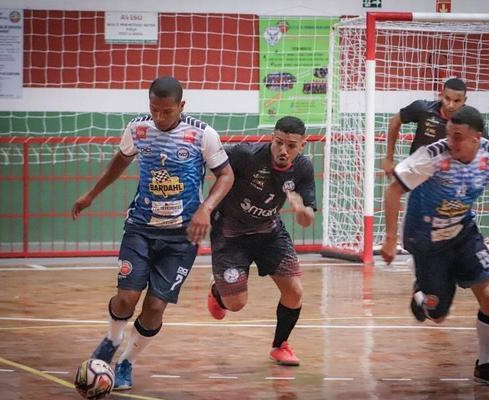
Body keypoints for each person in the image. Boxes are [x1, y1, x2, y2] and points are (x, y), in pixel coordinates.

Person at [71, 76, 234, 390]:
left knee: (155, 307)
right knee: (126, 298)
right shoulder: (138, 129)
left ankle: (127, 362)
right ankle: (111, 339)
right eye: (154, 110)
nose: (159, 117)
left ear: (181, 106)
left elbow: (225, 175)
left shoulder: (202, 134)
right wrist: (91, 194)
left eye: (167, 112)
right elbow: (120, 160)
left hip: (182, 236)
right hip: (140, 228)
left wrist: (206, 209)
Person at [381, 105, 489, 387]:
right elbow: (393, 190)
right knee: (437, 315)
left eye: (458, 136)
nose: (451, 141)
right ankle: (421, 296)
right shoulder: (432, 156)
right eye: (449, 134)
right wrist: (389, 239)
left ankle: (484, 366)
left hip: (462, 232)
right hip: (426, 238)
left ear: (476, 138)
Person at [206, 116, 316, 366]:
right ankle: (218, 289)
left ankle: (280, 346)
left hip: (269, 233)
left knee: (294, 291)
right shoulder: (245, 155)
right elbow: (214, 163)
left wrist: (302, 212)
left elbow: (307, 219)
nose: (283, 150)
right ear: (272, 138)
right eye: (278, 142)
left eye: (291, 145)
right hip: (230, 234)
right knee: (235, 304)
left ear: (302, 145)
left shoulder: (303, 168)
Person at [381, 78, 468, 178]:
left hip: (449, 181)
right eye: (447, 98)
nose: (451, 105)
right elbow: (394, 122)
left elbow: (486, 149)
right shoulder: (423, 109)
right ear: (441, 95)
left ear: (464, 100)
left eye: (457, 101)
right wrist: (389, 159)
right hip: (418, 176)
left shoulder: (470, 120)